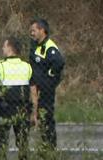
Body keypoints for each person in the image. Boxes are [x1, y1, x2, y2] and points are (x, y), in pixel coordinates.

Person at [0, 38, 34, 155]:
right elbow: (33, 90)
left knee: (1, 144)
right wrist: (34, 113)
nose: (2, 48)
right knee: (23, 144)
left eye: (4, 46)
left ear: (9, 47)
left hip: (4, 109)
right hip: (22, 108)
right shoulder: (27, 66)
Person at [28, 19, 64, 149]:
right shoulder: (34, 45)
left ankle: (49, 146)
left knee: (46, 116)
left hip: (45, 89)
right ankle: (40, 144)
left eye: (34, 30)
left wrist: (48, 78)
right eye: (31, 30)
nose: (31, 33)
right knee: (33, 114)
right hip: (34, 87)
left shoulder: (50, 47)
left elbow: (59, 63)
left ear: (42, 31)